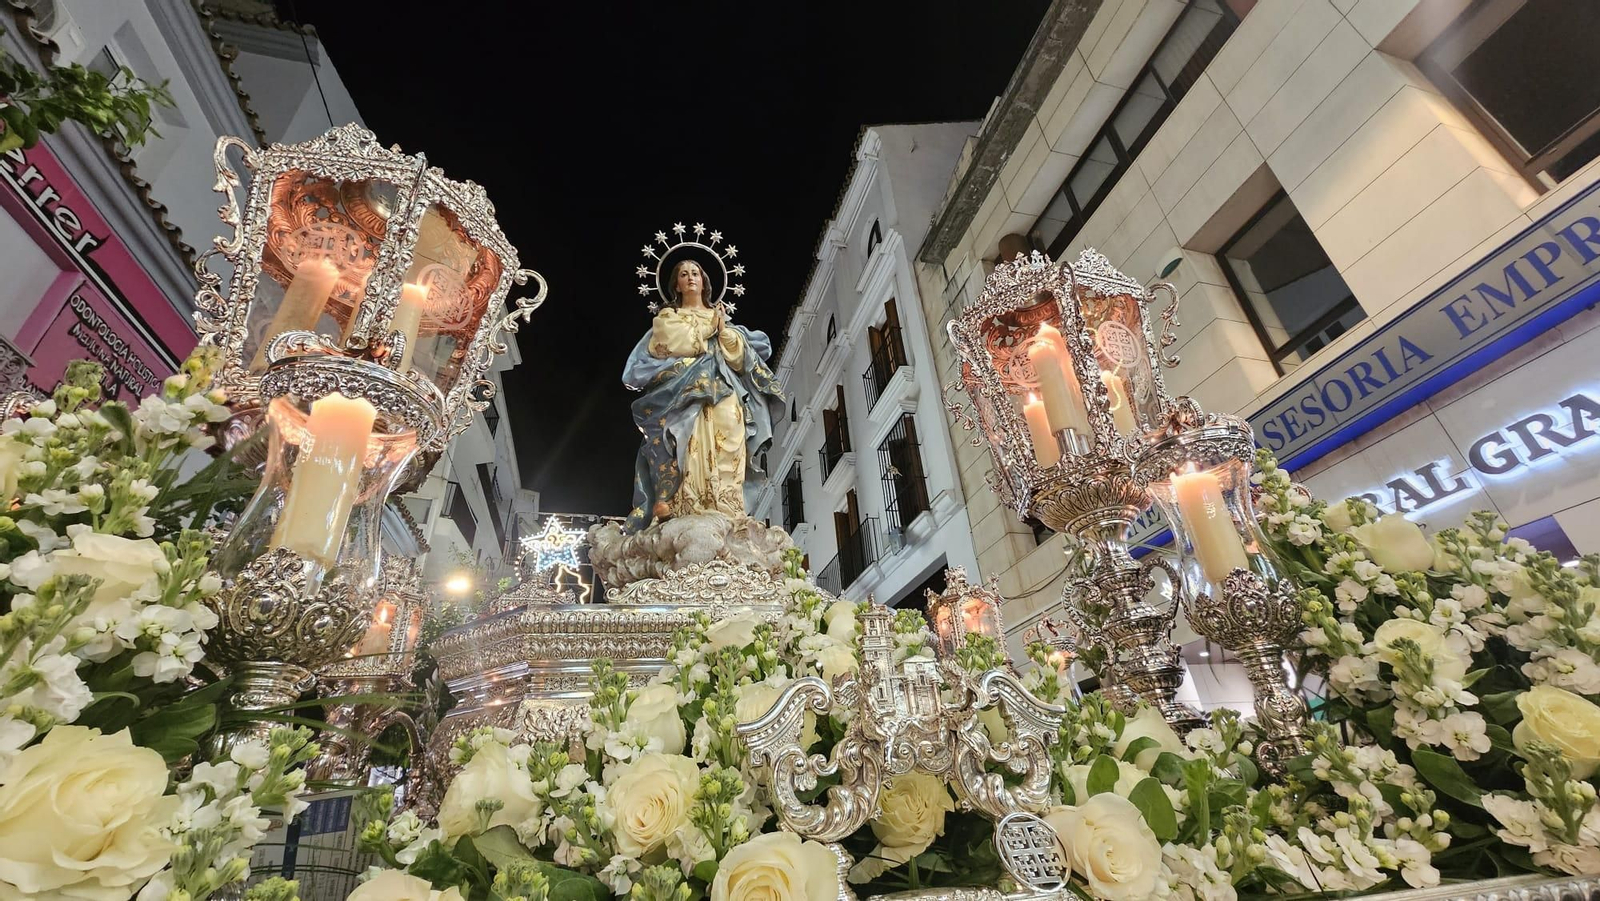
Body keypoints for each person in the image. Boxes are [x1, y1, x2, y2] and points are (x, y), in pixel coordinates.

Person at [622, 258, 784, 532]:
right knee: (688, 440)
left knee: (731, 437)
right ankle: (689, 502)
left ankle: (727, 505)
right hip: (685, 392)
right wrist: (708, 330)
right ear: (676, 283)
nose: (690, 277)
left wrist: (724, 332)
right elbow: (666, 343)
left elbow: (741, 358)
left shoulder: (721, 319)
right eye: (684, 274)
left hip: (724, 389)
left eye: (695, 273)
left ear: (704, 280)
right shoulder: (668, 318)